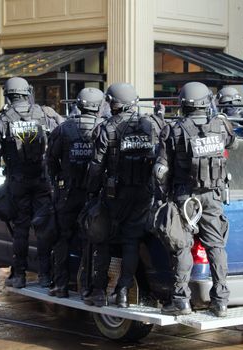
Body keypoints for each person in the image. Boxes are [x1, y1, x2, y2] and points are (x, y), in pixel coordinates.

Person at [154, 82, 237, 317]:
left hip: (184, 197)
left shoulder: (174, 130)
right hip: (213, 195)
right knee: (216, 246)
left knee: (182, 248)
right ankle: (220, 301)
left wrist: (163, 196)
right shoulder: (221, 125)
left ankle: (181, 301)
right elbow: (232, 142)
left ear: (183, 103)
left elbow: (161, 170)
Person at [84, 82, 164, 308]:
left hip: (114, 195)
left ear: (113, 103)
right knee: (131, 242)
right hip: (142, 194)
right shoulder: (150, 125)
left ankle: (99, 291)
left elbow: (97, 166)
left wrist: (91, 192)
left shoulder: (107, 128)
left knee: (104, 240)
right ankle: (122, 293)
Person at [0, 76, 62, 289]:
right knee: (44, 227)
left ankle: (19, 275)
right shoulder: (46, 114)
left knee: (21, 228)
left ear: (7, 94)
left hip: (17, 182)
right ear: (27, 92)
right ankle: (46, 276)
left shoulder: (0, 119)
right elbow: (65, 137)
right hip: (42, 180)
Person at [46, 87, 105, 298]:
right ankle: (87, 287)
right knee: (90, 241)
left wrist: (57, 182)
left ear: (78, 104)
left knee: (62, 238)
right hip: (93, 195)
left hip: (67, 193)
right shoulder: (104, 128)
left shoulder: (63, 129)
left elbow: (50, 162)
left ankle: (60, 286)